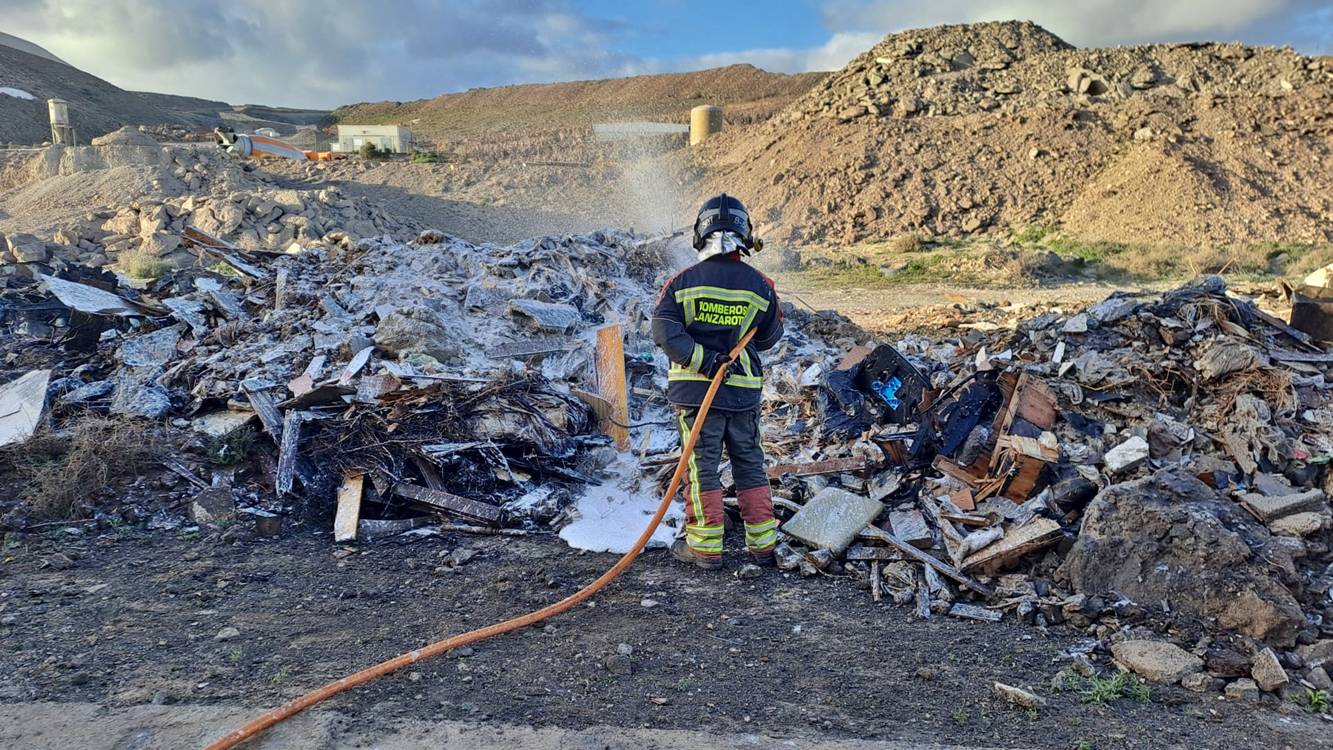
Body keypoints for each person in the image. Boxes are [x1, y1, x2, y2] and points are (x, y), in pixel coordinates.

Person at [651, 194, 784, 570]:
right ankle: (763, 546)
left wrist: (705, 362)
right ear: (746, 234)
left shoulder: (682, 283)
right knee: (750, 463)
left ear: (700, 232)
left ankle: (706, 549)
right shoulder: (760, 286)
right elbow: (769, 338)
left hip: (696, 396)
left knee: (702, 467)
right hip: (742, 394)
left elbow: (664, 332)